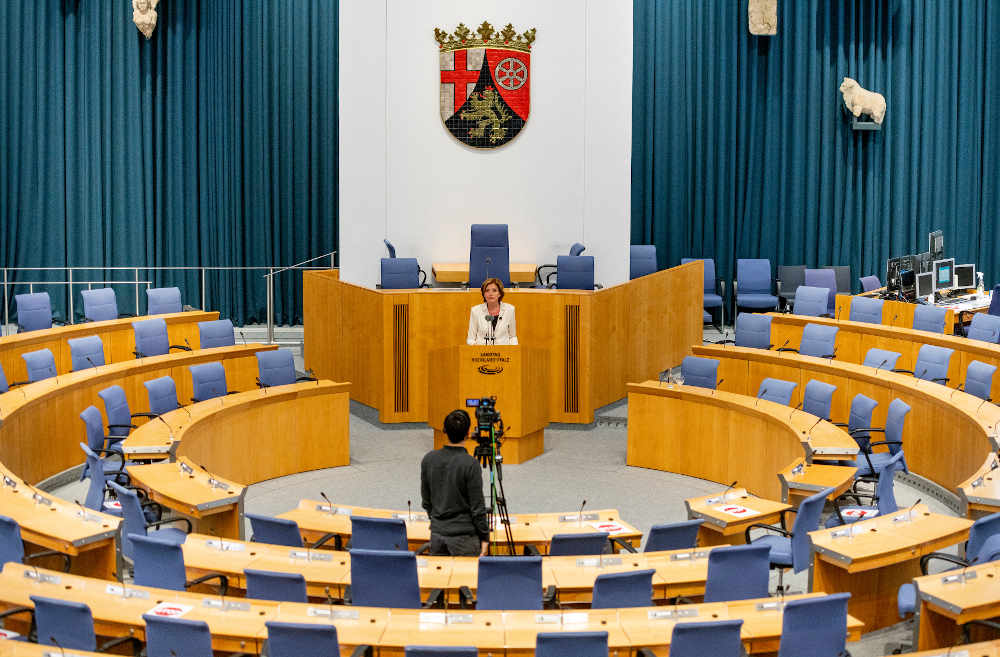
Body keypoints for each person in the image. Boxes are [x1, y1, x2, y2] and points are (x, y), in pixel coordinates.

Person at [420, 409, 489, 556]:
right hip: (465, 540)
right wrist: (485, 537)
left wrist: (439, 523)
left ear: (444, 430)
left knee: (439, 579)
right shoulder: (471, 464)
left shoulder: (428, 459)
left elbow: (426, 502)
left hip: (437, 536)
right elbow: (477, 508)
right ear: (468, 433)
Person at [467, 277, 518, 345]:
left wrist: (513, 352)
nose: (490, 293)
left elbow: (513, 337)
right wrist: (477, 349)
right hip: (482, 353)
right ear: (484, 294)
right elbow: (470, 339)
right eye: (487, 290)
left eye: (494, 290)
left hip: (503, 353)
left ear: (499, 294)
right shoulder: (475, 311)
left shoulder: (509, 310)